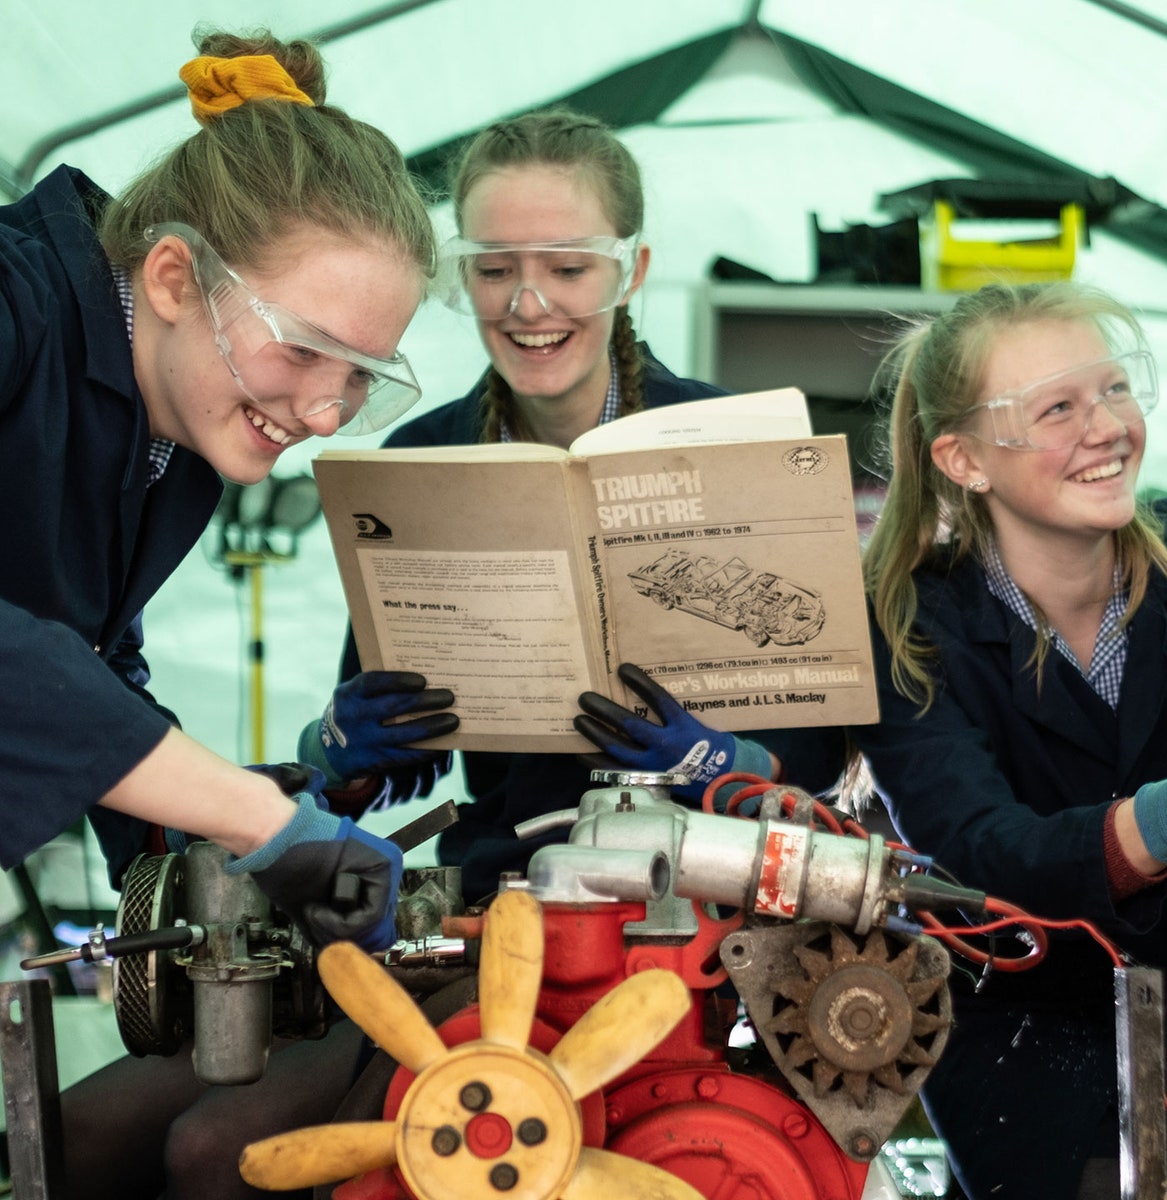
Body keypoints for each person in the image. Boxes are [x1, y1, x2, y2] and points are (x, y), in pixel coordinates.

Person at [21, 27, 437, 1200]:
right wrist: (255, 817)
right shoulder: (13, 312)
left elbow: (89, 673)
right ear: (170, 276)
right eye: (305, 349)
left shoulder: (175, 430)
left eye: (364, 374)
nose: (323, 407)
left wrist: (224, 838)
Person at [846, 281, 1167, 1199]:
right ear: (963, 459)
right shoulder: (910, 624)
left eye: (1114, 389)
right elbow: (967, 857)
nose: (1107, 426)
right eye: (1058, 409)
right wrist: (1160, 822)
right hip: (1032, 1040)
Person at [295, 107, 835, 902]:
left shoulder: (737, 442)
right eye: (495, 269)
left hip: (708, 883)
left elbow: (822, 750)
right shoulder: (420, 459)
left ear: (632, 270)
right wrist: (339, 749)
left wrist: (720, 761)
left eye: (568, 269)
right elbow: (382, 780)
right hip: (505, 883)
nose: (528, 303)